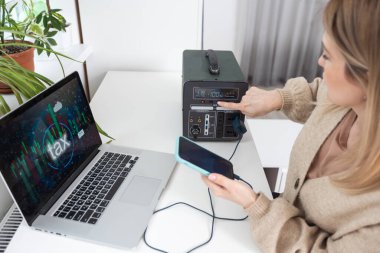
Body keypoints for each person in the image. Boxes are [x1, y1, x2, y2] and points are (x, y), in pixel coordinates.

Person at [202, 0, 380, 252]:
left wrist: (256, 206)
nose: (319, 61)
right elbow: (322, 91)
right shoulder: (350, 99)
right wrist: (278, 98)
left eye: (328, 56)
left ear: (367, 77)